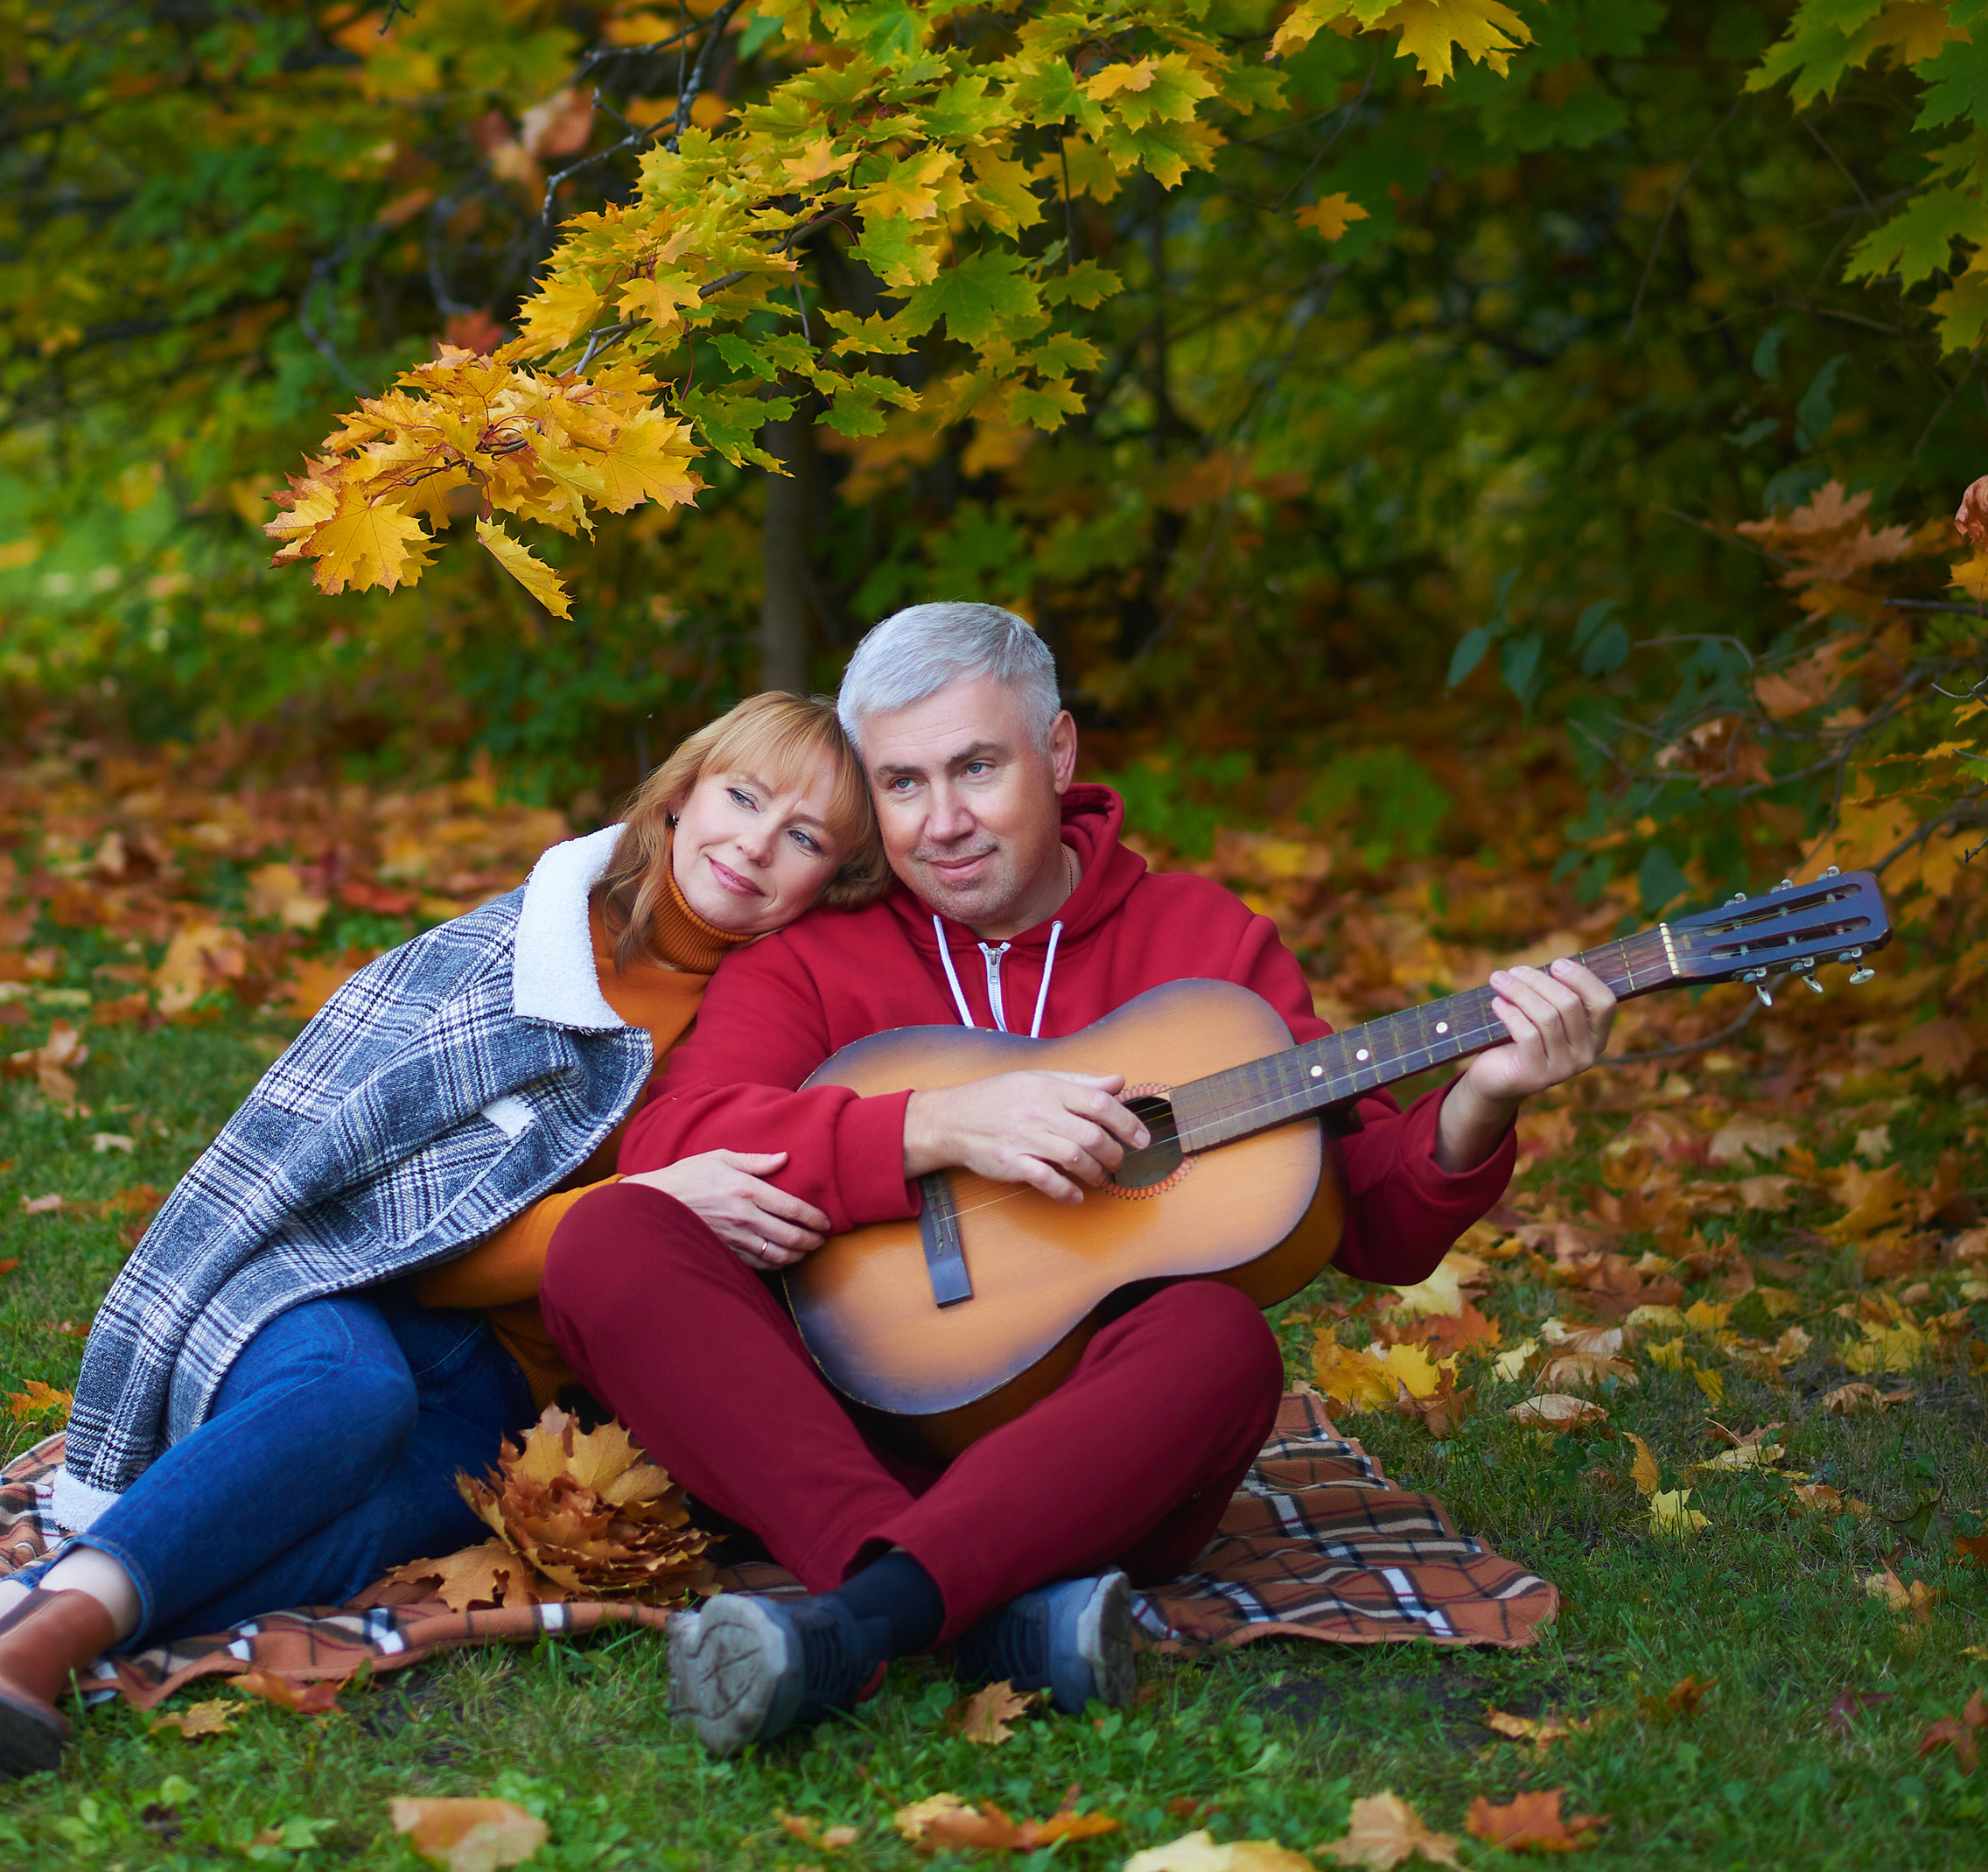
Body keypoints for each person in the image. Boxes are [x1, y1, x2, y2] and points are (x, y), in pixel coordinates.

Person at [538, 601, 1618, 1756]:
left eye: (977, 767)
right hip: (839, 1424)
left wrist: (1484, 1097)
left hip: (1093, 1459)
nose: (941, 820)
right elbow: (679, 1142)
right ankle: (948, 1606)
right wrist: (939, 1124)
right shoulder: (817, 949)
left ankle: (861, 1617)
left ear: (1056, 754)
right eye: (901, 783)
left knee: (1220, 1338)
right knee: (609, 1241)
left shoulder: (1202, 943)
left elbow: (1374, 1224)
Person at [0, 692, 881, 1775]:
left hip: (511, 1400)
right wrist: (645, 1208)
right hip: (339, 1299)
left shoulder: (775, 1021)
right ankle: (40, 1649)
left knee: (360, 1533)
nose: (754, 846)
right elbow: (405, 1241)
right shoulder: (521, 957)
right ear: (681, 795)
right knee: (356, 1400)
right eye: (741, 799)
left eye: (804, 837)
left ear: (831, 881)